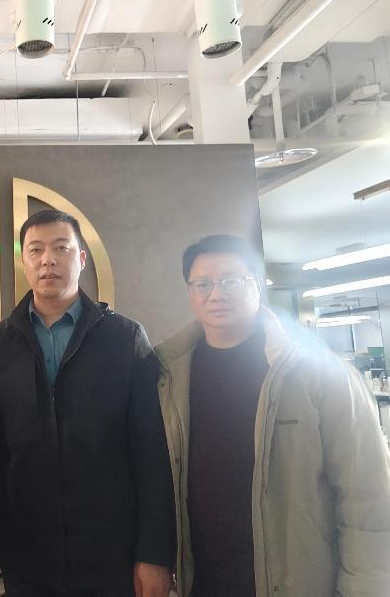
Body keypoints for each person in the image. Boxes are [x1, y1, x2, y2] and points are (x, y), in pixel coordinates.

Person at [155, 234, 390, 596]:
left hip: (298, 582)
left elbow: (368, 498)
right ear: (190, 291)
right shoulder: (167, 376)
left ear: (258, 285)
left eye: (232, 281)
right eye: (203, 284)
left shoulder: (322, 374)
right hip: (203, 582)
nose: (217, 294)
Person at [0, 209, 175, 596]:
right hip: (26, 549)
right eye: (36, 250)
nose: (48, 260)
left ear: (81, 258)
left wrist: (155, 553)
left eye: (61, 248)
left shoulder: (124, 338)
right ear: (24, 261)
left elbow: (152, 452)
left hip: (112, 548)